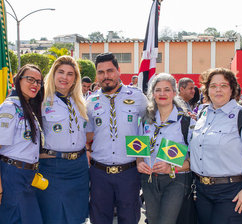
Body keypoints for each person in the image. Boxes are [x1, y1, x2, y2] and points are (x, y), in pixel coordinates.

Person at [190, 68, 242, 224]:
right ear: (207, 90)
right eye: (213, 86)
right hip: (202, 191)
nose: (218, 89)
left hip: (232, 192)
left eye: (223, 85)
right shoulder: (202, 114)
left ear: (232, 89)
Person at [86, 52, 147, 224]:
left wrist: (140, 158)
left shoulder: (137, 97)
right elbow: (88, 135)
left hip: (128, 172)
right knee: (99, 219)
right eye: (101, 72)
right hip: (99, 174)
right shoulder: (90, 101)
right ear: (97, 75)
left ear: (119, 71)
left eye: (110, 71)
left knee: (129, 219)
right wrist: (87, 149)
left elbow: (146, 128)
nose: (106, 76)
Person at [36, 56, 89, 224]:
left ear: (75, 79)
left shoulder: (80, 102)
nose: (65, 77)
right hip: (53, 167)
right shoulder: (41, 101)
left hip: (79, 168)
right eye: (61, 72)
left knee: (77, 216)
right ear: (53, 74)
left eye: (70, 74)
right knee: (53, 216)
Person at [136, 73, 194, 224]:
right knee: (153, 221)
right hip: (149, 179)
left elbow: (195, 159)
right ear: (152, 94)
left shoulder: (186, 121)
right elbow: (139, 150)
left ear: (174, 93)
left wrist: (172, 167)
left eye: (167, 89)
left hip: (176, 180)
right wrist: (139, 162)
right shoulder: (145, 119)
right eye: (158, 90)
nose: (162, 94)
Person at [0, 64, 44, 223]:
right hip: (12, 175)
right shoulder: (9, 107)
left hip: (27, 176)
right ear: (18, 80)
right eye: (30, 79)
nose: (35, 85)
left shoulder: (27, 106)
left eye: (38, 82)